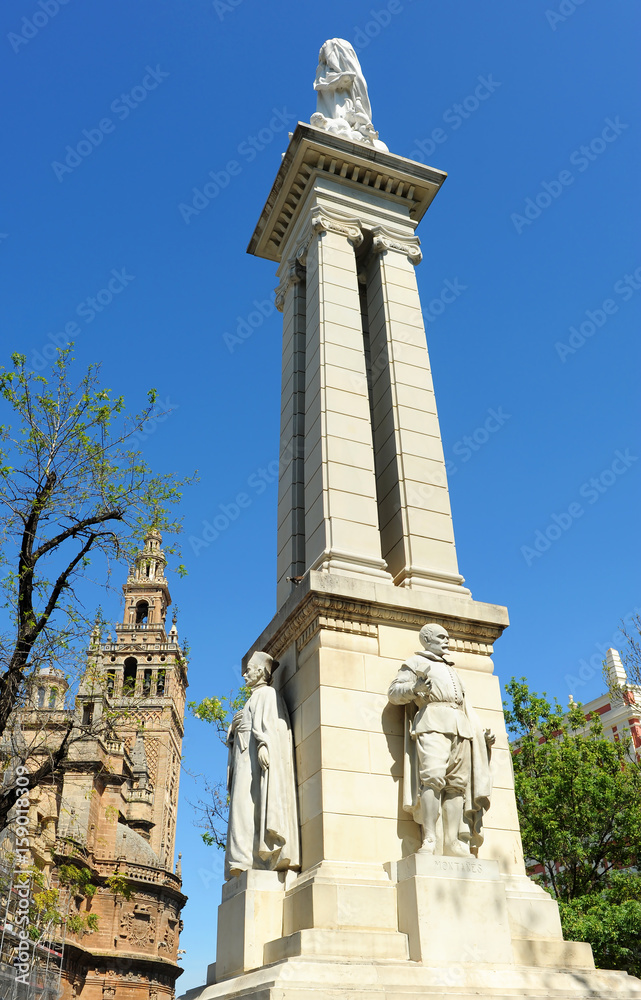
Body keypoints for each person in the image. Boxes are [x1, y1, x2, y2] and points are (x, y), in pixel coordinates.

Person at [388, 624, 494, 857]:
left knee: (456, 785)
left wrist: (479, 734)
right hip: (432, 721)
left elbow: (465, 705)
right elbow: (394, 693)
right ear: (427, 639)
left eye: (448, 636)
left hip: (461, 727)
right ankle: (429, 839)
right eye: (441, 637)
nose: (447, 641)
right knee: (432, 779)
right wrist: (414, 688)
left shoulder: (451, 669)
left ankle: (452, 841)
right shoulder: (416, 662)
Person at [224, 651, 300, 880]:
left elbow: (273, 728)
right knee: (240, 810)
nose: (245, 674)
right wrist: (233, 729)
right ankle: (241, 861)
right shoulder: (252, 698)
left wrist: (265, 746)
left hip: (255, 763)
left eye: (249, 669)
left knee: (248, 809)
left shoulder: (267, 694)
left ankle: (249, 859)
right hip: (244, 761)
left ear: (260, 672)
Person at [311, 38, 388, 151]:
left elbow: (360, 88)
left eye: (330, 58)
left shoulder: (353, 76)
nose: (328, 64)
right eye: (326, 61)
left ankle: (357, 128)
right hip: (336, 118)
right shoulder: (323, 74)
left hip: (350, 111)